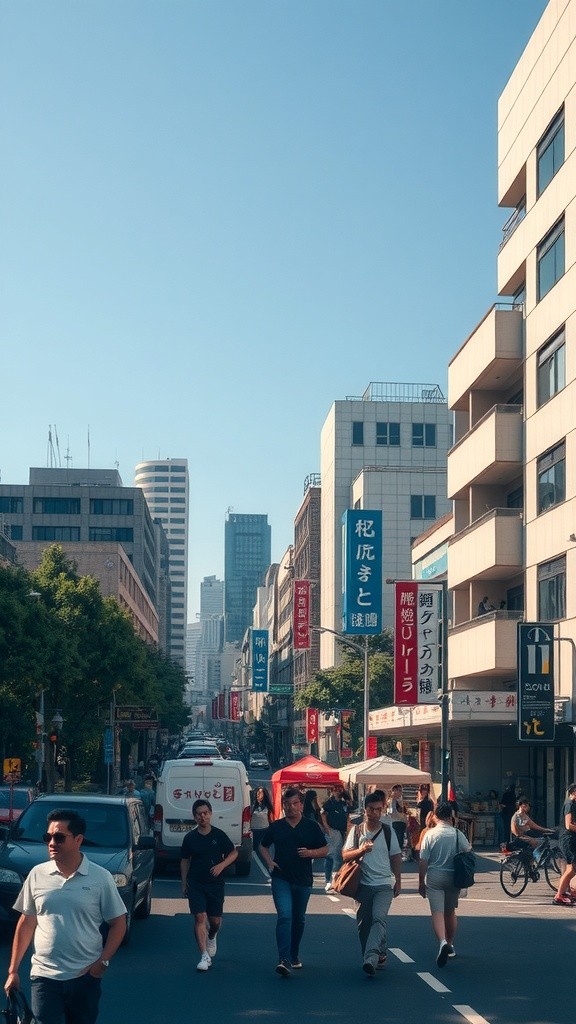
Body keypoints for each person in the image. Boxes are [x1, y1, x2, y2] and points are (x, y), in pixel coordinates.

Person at [3, 808, 126, 1024]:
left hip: (85, 976)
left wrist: (102, 963)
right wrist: (13, 970)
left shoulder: (100, 878)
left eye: (59, 837)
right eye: (47, 837)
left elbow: (118, 923)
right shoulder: (37, 874)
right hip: (44, 976)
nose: (52, 842)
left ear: (78, 839)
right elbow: (27, 922)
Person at [259, 787, 328, 977]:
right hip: (281, 878)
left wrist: (311, 853)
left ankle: (293, 954)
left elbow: (325, 849)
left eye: (294, 804)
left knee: (298, 920)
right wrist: (269, 862)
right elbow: (263, 846)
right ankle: (284, 959)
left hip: (303, 881)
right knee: (285, 916)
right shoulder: (277, 826)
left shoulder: (311, 826)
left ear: (301, 805)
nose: (291, 808)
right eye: (287, 804)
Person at [342, 791, 402, 976]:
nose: (375, 813)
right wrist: (361, 850)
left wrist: (397, 880)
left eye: (378, 809)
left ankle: (371, 958)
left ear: (382, 810)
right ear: (365, 810)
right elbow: (345, 855)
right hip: (363, 885)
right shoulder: (357, 830)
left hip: (384, 884)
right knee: (364, 925)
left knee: (378, 917)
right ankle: (380, 950)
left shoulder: (387, 831)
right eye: (371, 809)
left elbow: (396, 856)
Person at [180, 799, 238, 971]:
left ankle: (212, 935)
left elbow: (234, 852)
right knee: (199, 917)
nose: (202, 816)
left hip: (215, 884)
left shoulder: (219, 835)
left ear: (210, 814)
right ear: (194, 816)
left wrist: (222, 865)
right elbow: (184, 860)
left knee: (215, 921)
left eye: (205, 813)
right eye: (199, 814)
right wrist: (184, 883)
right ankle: (204, 955)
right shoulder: (190, 838)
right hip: (196, 882)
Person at [418, 801, 472, 968]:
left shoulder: (430, 834)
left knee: (437, 912)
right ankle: (451, 943)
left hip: (434, 876)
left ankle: (442, 942)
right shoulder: (457, 834)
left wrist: (421, 881)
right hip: (453, 877)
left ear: (435, 816)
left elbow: (423, 860)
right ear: (451, 816)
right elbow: (467, 851)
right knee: (450, 912)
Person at [320, 784, 350, 893]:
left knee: (335, 856)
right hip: (333, 831)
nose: (337, 791)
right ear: (332, 791)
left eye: (339, 789)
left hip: (341, 831)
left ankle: (333, 880)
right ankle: (330, 881)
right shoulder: (329, 803)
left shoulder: (344, 802)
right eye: (335, 790)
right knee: (333, 856)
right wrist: (326, 827)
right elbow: (323, 814)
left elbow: (348, 813)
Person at [553, 782, 576, 906]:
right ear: (573, 792)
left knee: (571, 868)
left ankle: (567, 892)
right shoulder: (570, 804)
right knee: (571, 868)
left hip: (571, 839)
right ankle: (559, 895)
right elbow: (568, 825)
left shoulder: (573, 804)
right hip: (568, 839)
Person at [250, 786, 274, 858]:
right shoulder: (252, 805)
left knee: (263, 849)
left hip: (264, 830)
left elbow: (271, 818)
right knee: (255, 849)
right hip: (254, 830)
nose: (258, 794)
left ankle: (266, 863)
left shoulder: (267, 806)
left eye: (260, 793)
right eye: (257, 793)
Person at [386, 784, 408, 853]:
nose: (401, 793)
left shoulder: (395, 800)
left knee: (399, 840)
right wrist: (402, 817)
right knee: (399, 841)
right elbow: (393, 812)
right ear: (394, 790)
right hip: (396, 822)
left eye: (401, 791)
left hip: (396, 822)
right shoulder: (392, 801)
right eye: (399, 790)